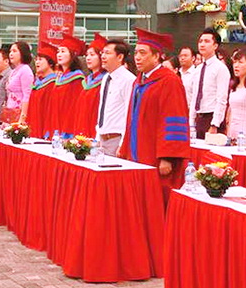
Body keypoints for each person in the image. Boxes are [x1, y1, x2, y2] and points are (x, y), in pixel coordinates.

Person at [118, 29, 190, 204]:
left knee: (156, 198)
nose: (137, 57)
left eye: (143, 53)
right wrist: (124, 146)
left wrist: (167, 157)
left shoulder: (169, 81)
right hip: (136, 152)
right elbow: (131, 119)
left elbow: (174, 119)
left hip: (155, 156)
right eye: (136, 53)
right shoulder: (139, 81)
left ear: (157, 56)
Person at [97, 39, 136, 156]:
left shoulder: (128, 80)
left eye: (108, 53)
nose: (103, 56)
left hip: (116, 139)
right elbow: (102, 109)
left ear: (120, 57)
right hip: (102, 139)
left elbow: (129, 113)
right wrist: (97, 137)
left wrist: (122, 144)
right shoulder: (106, 78)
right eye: (102, 53)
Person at [189, 28, 230, 139]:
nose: (202, 44)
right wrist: (191, 122)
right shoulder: (198, 69)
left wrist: (215, 124)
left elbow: (222, 98)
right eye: (200, 41)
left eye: (207, 41)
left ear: (215, 46)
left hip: (212, 117)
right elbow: (194, 97)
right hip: (199, 118)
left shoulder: (220, 68)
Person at [51, 36, 86, 136]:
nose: (59, 54)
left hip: (68, 129)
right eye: (58, 51)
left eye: (63, 51)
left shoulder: (77, 78)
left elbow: (74, 107)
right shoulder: (60, 78)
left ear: (73, 54)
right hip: (57, 126)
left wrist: (67, 130)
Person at [74, 33, 108, 138]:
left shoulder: (106, 81)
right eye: (87, 55)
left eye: (92, 55)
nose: (88, 58)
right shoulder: (86, 81)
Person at [28, 43, 59, 139]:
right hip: (33, 129)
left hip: (44, 132)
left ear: (50, 63)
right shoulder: (37, 83)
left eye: (40, 59)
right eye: (36, 59)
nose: (37, 62)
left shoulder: (53, 84)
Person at [4, 41, 34, 124]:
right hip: (10, 112)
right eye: (10, 51)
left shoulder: (25, 70)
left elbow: (27, 95)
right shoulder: (13, 71)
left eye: (14, 51)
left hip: (19, 114)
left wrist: (22, 119)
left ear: (22, 53)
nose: (11, 54)